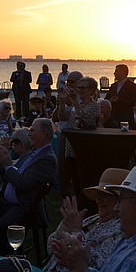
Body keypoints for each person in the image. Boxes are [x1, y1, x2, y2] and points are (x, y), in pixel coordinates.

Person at [42, 168, 129, 272]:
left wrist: (75, 231)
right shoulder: (93, 219)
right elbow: (51, 249)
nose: (99, 199)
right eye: (99, 194)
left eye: (106, 195)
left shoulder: (121, 230)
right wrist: (63, 230)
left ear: (121, 202)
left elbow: (98, 266)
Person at [0, 118, 58, 255]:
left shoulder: (47, 159)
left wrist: (6, 165)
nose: (29, 134)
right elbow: (11, 174)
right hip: (7, 202)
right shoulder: (33, 154)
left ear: (44, 133)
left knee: (1, 225)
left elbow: (22, 183)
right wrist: (0, 162)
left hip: (24, 207)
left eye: (32, 130)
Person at [65, 77, 101, 196]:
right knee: (74, 179)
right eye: (78, 87)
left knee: (84, 180)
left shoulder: (95, 106)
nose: (79, 90)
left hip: (84, 147)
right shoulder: (75, 105)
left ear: (91, 90)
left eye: (83, 88)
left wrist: (74, 100)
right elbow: (63, 117)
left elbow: (84, 118)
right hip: (71, 146)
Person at [53, 70, 83, 198]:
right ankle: (64, 193)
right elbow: (58, 117)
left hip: (77, 135)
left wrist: (69, 100)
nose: (68, 84)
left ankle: (76, 192)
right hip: (64, 132)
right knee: (62, 165)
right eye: (67, 82)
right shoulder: (65, 96)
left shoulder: (83, 98)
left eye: (71, 82)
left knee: (74, 165)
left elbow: (80, 114)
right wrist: (60, 104)